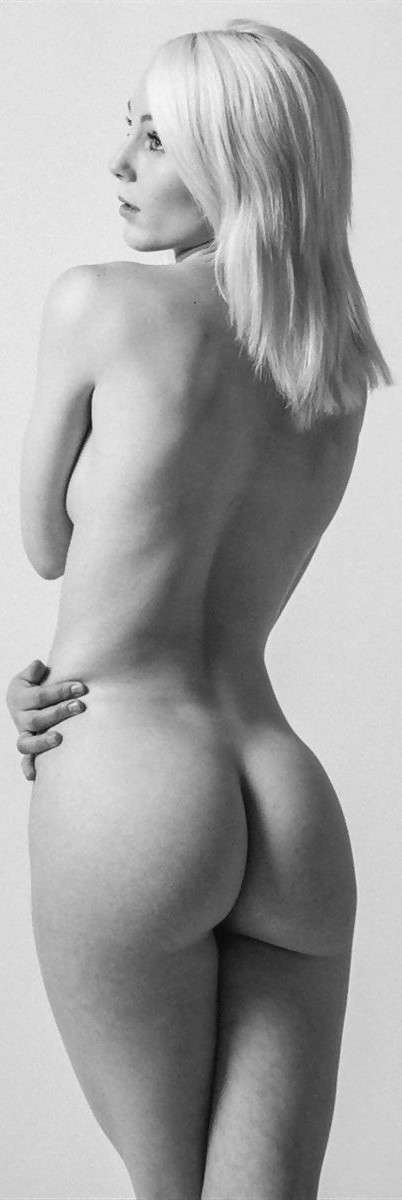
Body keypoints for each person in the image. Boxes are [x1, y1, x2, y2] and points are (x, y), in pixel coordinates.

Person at [6, 18, 393, 1200]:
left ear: (238, 159)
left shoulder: (97, 305)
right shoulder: (335, 368)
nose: (120, 161)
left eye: (157, 138)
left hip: (127, 774)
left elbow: (49, 547)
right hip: (284, 794)